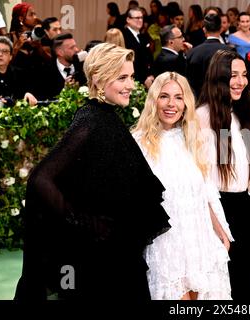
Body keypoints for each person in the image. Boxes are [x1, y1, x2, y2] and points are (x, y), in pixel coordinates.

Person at [14, 43, 170, 300]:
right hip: (101, 260)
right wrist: (85, 222)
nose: (130, 85)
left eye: (131, 76)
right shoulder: (90, 120)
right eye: (121, 78)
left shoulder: (106, 117)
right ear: (98, 79)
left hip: (115, 253)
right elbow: (41, 179)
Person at [132, 71, 233, 300]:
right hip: (165, 245)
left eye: (178, 97)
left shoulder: (194, 139)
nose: (171, 104)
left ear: (186, 103)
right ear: (154, 100)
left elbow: (204, 192)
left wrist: (220, 230)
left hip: (198, 239)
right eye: (164, 96)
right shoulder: (139, 142)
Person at [196, 50, 250, 300]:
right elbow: (201, 181)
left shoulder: (242, 115)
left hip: (245, 207)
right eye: (233, 75)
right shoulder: (202, 117)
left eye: (244, 75)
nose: (240, 81)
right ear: (218, 77)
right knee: (224, 291)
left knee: (247, 288)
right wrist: (218, 226)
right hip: (219, 211)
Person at [187, 13, 230, 97]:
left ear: (204, 30)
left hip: (198, 98)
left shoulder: (193, 52)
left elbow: (189, 81)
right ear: (221, 29)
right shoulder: (229, 51)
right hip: (222, 97)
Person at [0, 36, 37, 106]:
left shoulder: (20, 74)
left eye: (5, 51)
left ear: (10, 56)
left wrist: (28, 94)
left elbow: (27, 92)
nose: (0, 54)